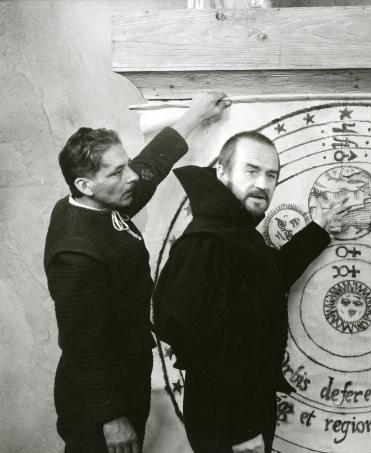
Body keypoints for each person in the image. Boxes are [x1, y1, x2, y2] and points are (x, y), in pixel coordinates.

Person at [43, 91, 230, 453]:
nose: (131, 177)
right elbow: (83, 346)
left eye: (124, 164)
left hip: (125, 377)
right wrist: (111, 418)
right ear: (85, 185)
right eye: (118, 172)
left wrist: (194, 115)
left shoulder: (96, 201)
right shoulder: (75, 252)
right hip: (97, 404)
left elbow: (149, 167)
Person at [154, 131, 346, 453]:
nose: (263, 183)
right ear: (222, 172)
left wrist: (316, 231)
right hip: (229, 421)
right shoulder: (208, 240)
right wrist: (242, 429)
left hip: (242, 410)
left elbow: (264, 283)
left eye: (271, 175)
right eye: (251, 170)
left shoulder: (233, 231)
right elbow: (199, 344)